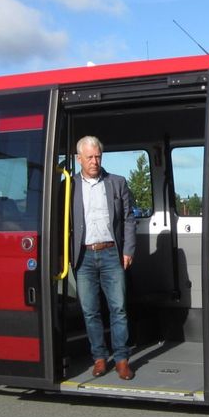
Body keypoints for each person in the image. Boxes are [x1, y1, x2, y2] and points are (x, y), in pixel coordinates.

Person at [71, 136, 137, 380]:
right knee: (90, 311)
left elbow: (129, 218)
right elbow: (60, 222)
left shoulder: (117, 182)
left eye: (98, 156)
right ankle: (99, 358)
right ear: (79, 159)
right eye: (89, 157)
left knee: (118, 309)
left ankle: (121, 359)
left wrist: (128, 249)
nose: (94, 161)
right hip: (83, 256)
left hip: (112, 253)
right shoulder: (68, 186)